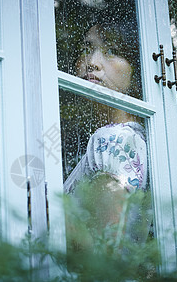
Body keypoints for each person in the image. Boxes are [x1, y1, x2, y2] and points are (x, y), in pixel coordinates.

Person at [63, 22, 151, 251]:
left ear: (137, 68)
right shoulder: (128, 139)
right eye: (86, 49)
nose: (92, 62)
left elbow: (104, 254)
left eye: (111, 51)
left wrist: (45, 212)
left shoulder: (112, 139)